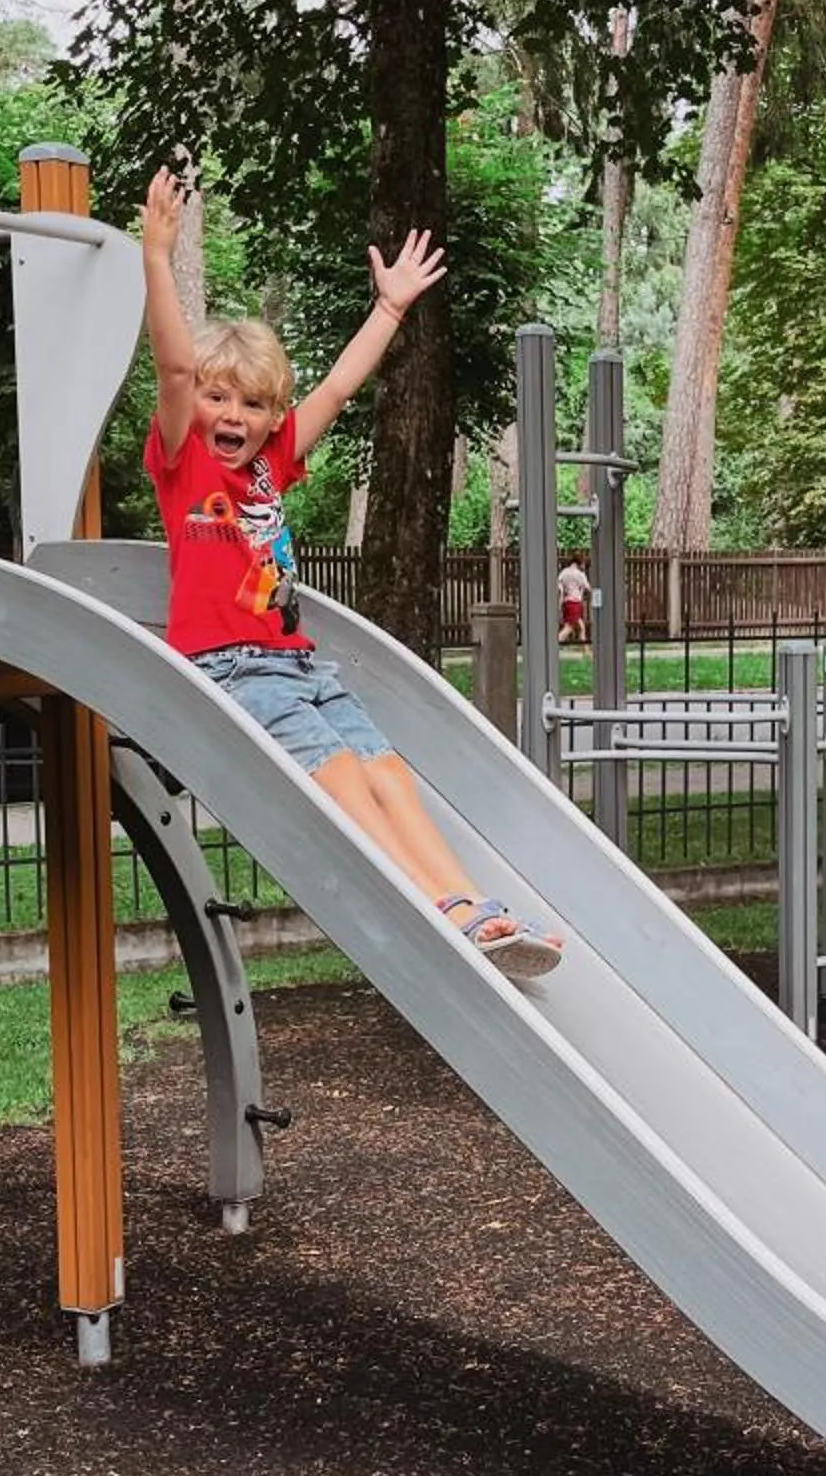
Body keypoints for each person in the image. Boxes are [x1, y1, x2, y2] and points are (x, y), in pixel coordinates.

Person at [137, 169, 563, 980]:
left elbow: (337, 385)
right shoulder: (185, 463)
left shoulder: (272, 465)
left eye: (253, 406)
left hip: (298, 665)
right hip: (233, 669)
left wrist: (392, 308)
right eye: (219, 399)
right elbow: (172, 370)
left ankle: (469, 904)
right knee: (343, 781)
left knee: (388, 775)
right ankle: (432, 907)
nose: (233, 417)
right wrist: (157, 258)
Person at [557, 554, 592, 645]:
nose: (583, 565)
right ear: (578, 563)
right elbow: (588, 587)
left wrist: (560, 605)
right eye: (583, 563)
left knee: (581, 627)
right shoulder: (580, 574)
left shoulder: (563, 573)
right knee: (569, 627)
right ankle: (555, 643)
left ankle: (585, 649)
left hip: (566, 602)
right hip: (575, 602)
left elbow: (560, 589)